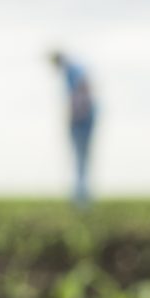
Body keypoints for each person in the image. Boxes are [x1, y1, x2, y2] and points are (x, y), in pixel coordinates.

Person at [50, 51, 97, 207]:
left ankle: (81, 200)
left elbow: (82, 90)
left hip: (81, 120)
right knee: (80, 159)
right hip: (83, 119)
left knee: (80, 159)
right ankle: (80, 197)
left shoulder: (73, 70)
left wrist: (75, 115)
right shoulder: (73, 70)